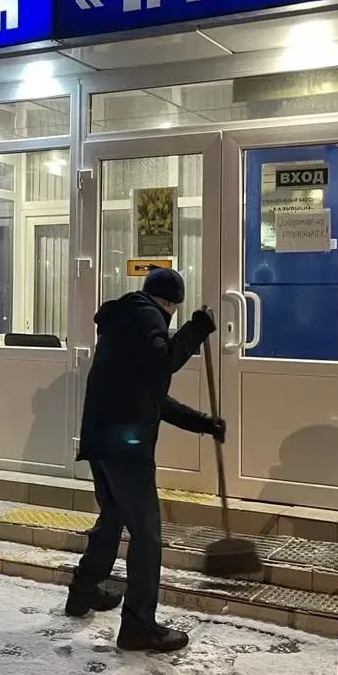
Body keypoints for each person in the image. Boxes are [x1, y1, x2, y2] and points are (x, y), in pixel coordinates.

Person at [65, 266, 226, 652]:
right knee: (147, 533)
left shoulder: (125, 322)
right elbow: (163, 362)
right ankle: (138, 624)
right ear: (170, 303)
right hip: (126, 445)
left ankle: (83, 591)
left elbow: (151, 394)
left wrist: (201, 423)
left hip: (103, 439)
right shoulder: (146, 316)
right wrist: (196, 330)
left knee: (113, 518)